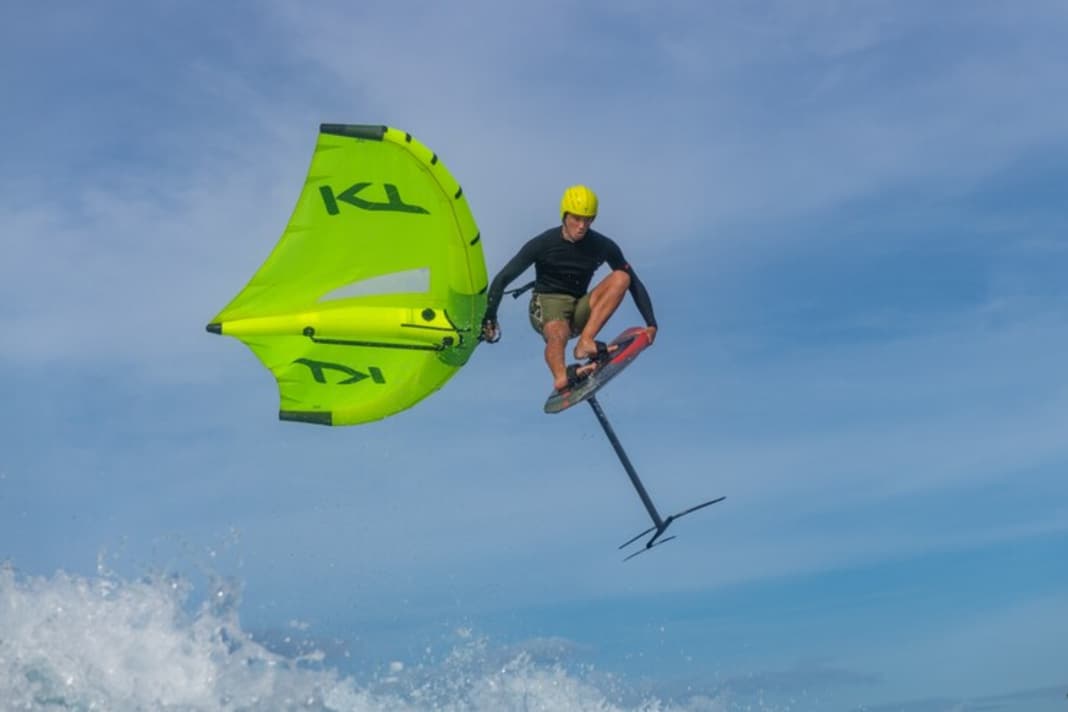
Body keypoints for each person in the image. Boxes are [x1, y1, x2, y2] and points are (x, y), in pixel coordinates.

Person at [481, 184, 658, 392]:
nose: (582, 226)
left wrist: (651, 324)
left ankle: (585, 342)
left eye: (588, 220)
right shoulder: (543, 243)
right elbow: (502, 279)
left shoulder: (602, 246)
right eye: (576, 218)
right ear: (565, 215)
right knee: (558, 331)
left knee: (622, 277)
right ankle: (560, 376)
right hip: (547, 303)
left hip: (578, 307)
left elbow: (633, 281)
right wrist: (490, 318)